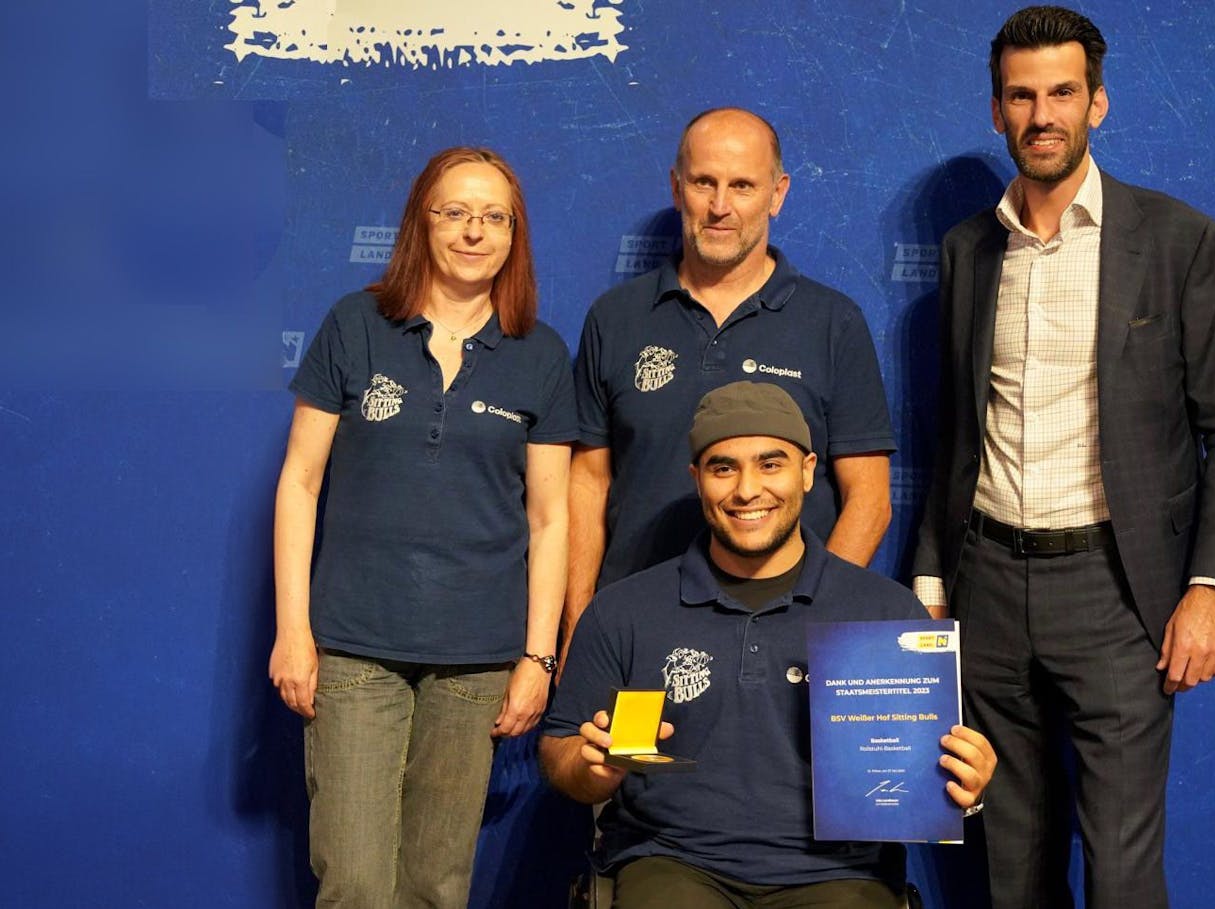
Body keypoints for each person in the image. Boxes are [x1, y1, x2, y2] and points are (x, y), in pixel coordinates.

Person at [911, 7, 1215, 908]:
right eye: (1021, 95)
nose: (1042, 114)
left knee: (1120, 868)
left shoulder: (1178, 242)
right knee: (1009, 860)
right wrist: (930, 577)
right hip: (986, 584)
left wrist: (1211, 589)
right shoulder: (967, 251)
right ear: (996, 111)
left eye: (1062, 92)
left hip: (1118, 592)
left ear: (1097, 103)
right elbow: (954, 427)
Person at [541, 381, 995, 909]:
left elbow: (935, 771)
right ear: (697, 479)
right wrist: (589, 766)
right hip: (673, 862)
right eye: (723, 467)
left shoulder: (885, 612)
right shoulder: (625, 610)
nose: (747, 490)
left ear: (806, 471)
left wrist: (967, 788)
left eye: (770, 464)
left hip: (839, 872)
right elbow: (559, 750)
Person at [269, 146, 576, 908]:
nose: (475, 232)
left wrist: (539, 655)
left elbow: (550, 515)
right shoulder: (356, 325)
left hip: (475, 663)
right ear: (421, 222)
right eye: (454, 212)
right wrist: (292, 631)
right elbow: (300, 482)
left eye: (493, 217)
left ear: (514, 234)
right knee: (357, 883)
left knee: (438, 886)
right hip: (353, 650)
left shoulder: (539, 354)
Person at [565, 107, 896, 663]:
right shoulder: (615, 318)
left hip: (783, 643)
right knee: (619, 756)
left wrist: (815, 622)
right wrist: (581, 627)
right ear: (677, 187)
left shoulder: (832, 321)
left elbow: (870, 498)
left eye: (742, 185)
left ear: (777, 193)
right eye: (704, 183)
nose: (721, 207)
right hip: (637, 637)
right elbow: (588, 486)